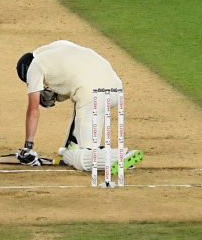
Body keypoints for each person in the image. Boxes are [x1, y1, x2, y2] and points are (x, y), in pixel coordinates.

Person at [13, 40, 144, 176]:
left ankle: (118, 156)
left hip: (91, 96)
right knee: (68, 151)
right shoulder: (58, 46)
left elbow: (33, 110)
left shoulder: (34, 67)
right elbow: (71, 77)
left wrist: (28, 147)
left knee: (79, 156)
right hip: (114, 88)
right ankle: (101, 152)